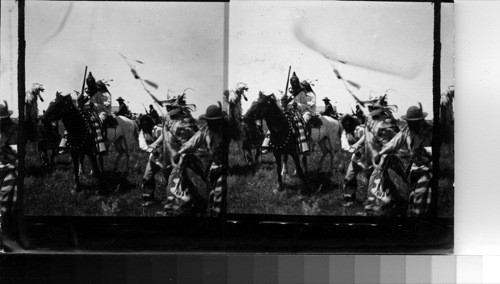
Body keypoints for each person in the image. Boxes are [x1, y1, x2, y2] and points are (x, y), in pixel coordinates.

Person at [172, 104, 235, 217]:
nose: (210, 123)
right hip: (211, 168)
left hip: (222, 169)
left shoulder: (226, 130)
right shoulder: (206, 130)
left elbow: (234, 123)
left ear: (219, 121)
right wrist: (180, 152)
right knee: (210, 196)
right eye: (209, 121)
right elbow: (193, 142)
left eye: (213, 121)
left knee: (219, 199)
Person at [374, 104, 433, 217]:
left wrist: (424, 151)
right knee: (387, 159)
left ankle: (418, 216)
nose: (411, 124)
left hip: (427, 168)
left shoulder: (430, 132)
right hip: (413, 168)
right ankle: (390, 198)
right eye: (409, 121)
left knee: (421, 196)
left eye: (414, 121)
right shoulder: (407, 130)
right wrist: (381, 153)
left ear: (421, 121)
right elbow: (393, 143)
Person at [0, 101, 18, 246]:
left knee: (6, 203)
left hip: (8, 169)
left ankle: (6, 234)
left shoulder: (13, 131)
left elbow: (14, 154)